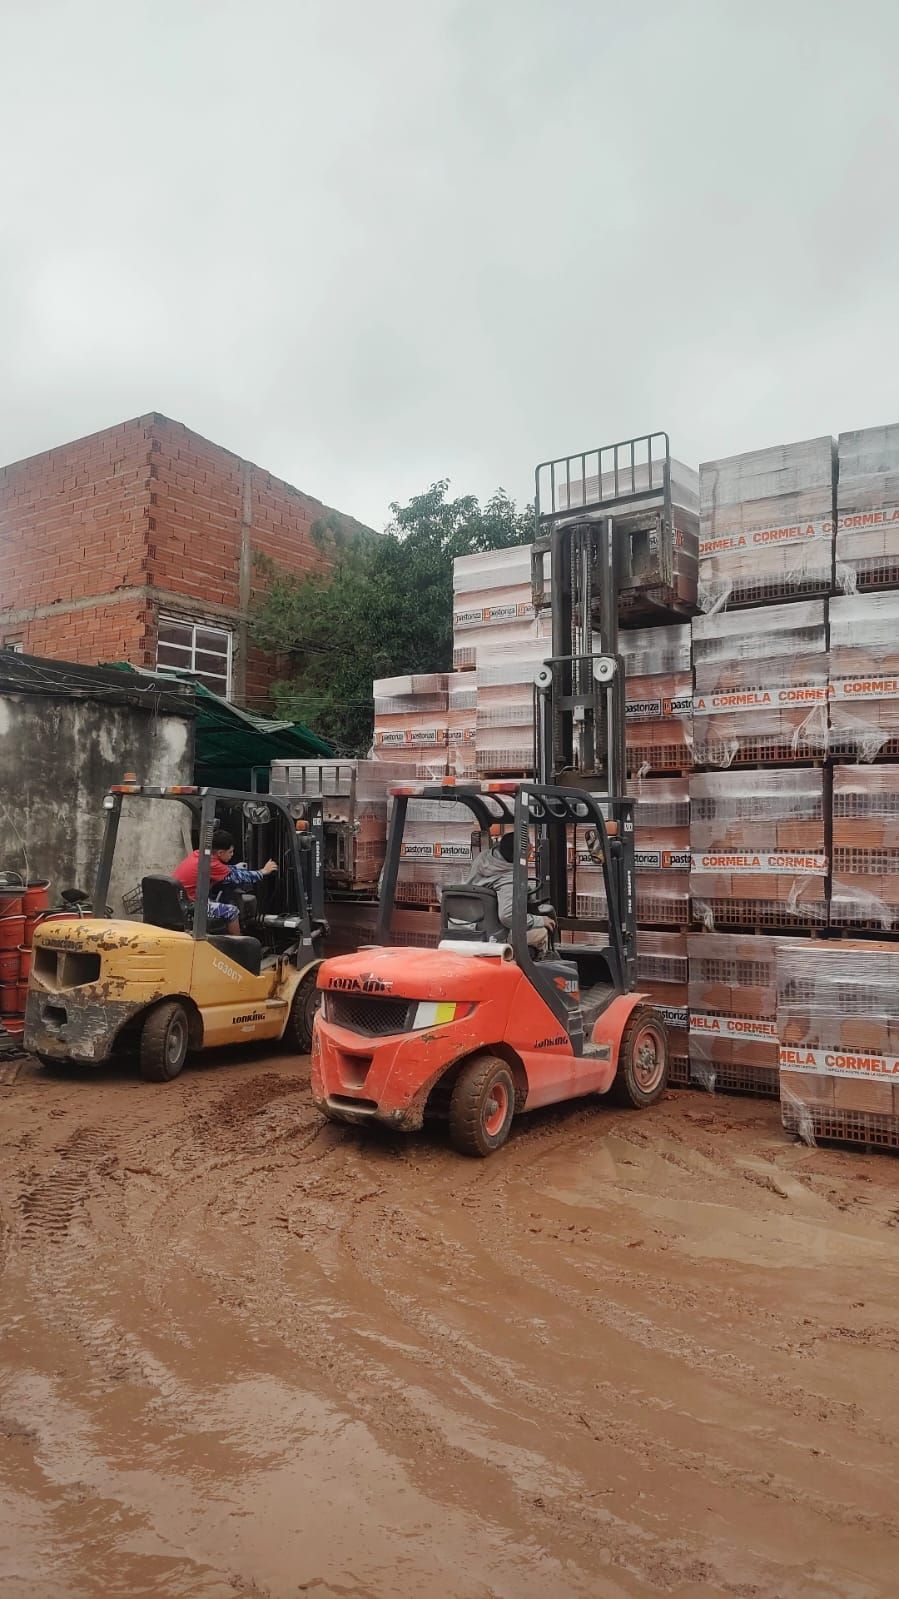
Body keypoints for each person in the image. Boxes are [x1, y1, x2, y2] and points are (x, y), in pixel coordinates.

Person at [456, 831, 555, 955]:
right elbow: (507, 916)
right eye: (529, 849)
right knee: (542, 932)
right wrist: (539, 920)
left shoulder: (483, 858)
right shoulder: (509, 877)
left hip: (469, 924)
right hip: (495, 934)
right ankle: (535, 962)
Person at [172, 829, 278, 937]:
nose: (232, 854)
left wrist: (235, 867)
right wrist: (263, 872)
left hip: (177, 901)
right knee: (232, 911)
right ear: (220, 853)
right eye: (230, 852)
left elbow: (220, 869)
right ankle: (238, 943)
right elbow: (239, 878)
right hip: (192, 905)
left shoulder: (199, 855)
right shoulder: (211, 864)